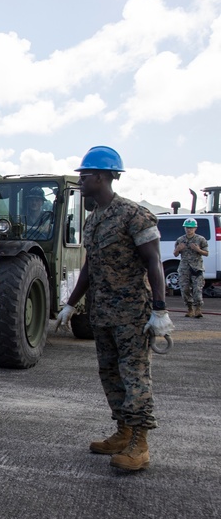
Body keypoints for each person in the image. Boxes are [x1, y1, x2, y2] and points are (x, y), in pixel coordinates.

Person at [54, 146, 173, 471]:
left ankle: (140, 444)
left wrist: (160, 309)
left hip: (133, 314)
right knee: (110, 374)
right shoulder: (93, 221)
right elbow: (90, 268)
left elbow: (153, 261)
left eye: (85, 175)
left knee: (135, 376)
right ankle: (123, 432)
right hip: (103, 313)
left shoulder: (134, 215)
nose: (81, 180)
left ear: (103, 177)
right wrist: (70, 304)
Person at [174, 218, 208, 318]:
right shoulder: (180, 240)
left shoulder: (200, 239)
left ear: (195, 228)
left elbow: (206, 253)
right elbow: (175, 254)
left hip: (197, 268)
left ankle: (198, 309)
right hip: (184, 268)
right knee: (185, 289)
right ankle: (189, 309)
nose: (189, 230)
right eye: (187, 228)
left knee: (197, 289)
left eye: (191, 228)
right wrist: (178, 249)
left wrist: (198, 250)